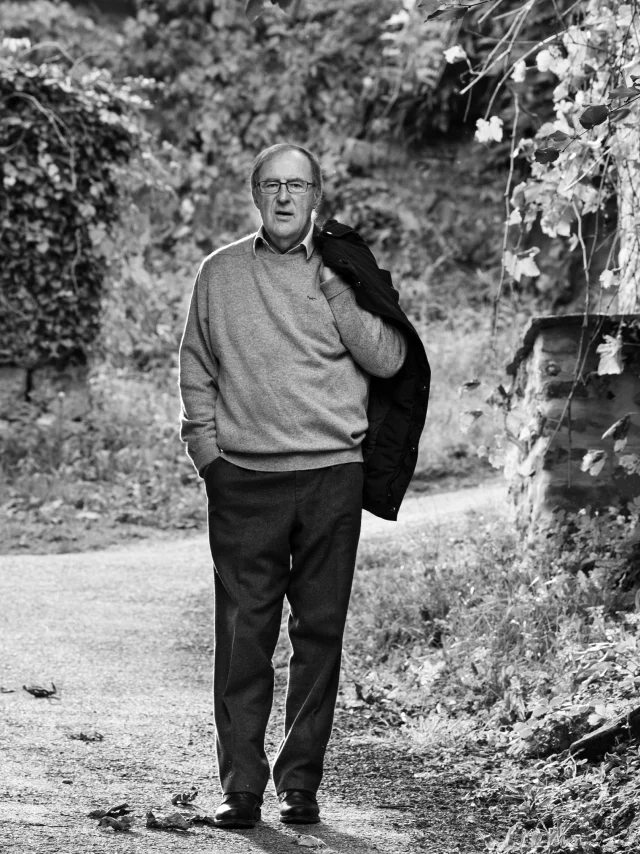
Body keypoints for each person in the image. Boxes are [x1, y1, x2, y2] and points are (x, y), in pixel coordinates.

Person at [178, 142, 427, 829]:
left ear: (316, 195)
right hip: (244, 481)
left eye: (298, 185)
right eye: (272, 185)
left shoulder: (343, 269)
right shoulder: (219, 273)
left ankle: (299, 785)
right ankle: (242, 787)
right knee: (244, 635)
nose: (285, 197)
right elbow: (196, 365)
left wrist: (337, 292)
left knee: (318, 633)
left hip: (331, 479)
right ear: (255, 195)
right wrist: (207, 455)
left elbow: (391, 356)